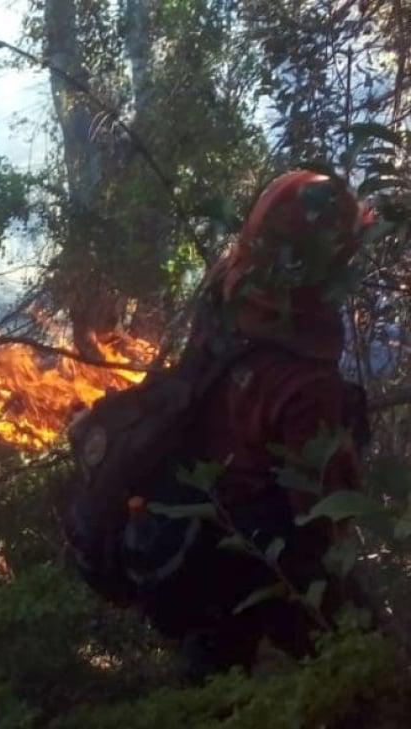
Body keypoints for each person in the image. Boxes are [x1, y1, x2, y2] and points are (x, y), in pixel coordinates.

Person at [136, 169, 373, 675]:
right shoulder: (305, 384)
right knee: (366, 659)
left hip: (194, 508)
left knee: (213, 668)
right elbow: (320, 519)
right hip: (251, 546)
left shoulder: (228, 283)